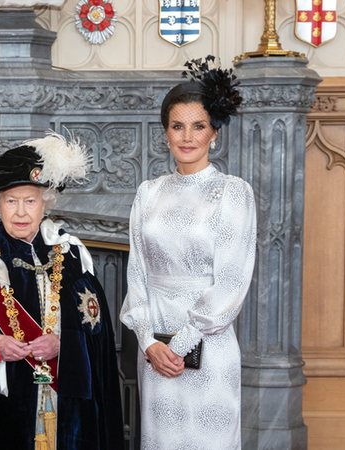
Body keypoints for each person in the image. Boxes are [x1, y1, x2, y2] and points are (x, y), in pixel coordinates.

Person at [0, 133, 124, 450]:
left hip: (64, 399)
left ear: (45, 203)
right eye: (11, 201)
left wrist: (63, 342)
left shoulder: (70, 253)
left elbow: (96, 328)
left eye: (30, 201)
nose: (20, 212)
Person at [119, 55, 256, 449]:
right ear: (165, 133)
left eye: (198, 126)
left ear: (215, 133)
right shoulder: (148, 193)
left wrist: (179, 345)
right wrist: (149, 342)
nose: (187, 136)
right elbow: (137, 273)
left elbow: (231, 280)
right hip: (156, 349)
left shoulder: (233, 192)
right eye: (177, 126)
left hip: (208, 348)